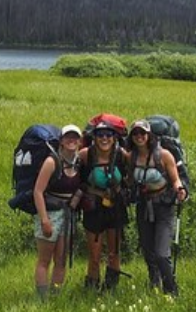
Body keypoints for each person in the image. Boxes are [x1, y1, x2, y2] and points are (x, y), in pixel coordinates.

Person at [127, 119, 188, 297]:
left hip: (163, 206)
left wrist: (180, 190)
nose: (139, 137)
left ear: (149, 135)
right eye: (136, 133)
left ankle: (171, 290)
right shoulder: (131, 157)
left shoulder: (164, 155)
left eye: (142, 133)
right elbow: (130, 179)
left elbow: (175, 179)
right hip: (143, 206)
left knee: (162, 253)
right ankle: (154, 283)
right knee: (148, 251)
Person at [76, 121, 131, 292]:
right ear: (94, 137)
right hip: (94, 208)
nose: (104, 138)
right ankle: (92, 288)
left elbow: (132, 176)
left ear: (115, 138)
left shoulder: (122, 155)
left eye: (108, 135)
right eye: (100, 135)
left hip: (116, 207)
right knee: (94, 254)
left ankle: (110, 289)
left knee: (114, 251)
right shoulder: (86, 155)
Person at [32, 123, 83, 301]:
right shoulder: (51, 161)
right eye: (68, 137)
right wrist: (44, 220)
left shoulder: (78, 161)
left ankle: (55, 298)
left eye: (75, 137)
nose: (71, 140)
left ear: (80, 141)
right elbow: (38, 191)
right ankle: (42, 299)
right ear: (61, 141)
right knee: (44, 260)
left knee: (61, 260)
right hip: (50, 213)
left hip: (68, 215)